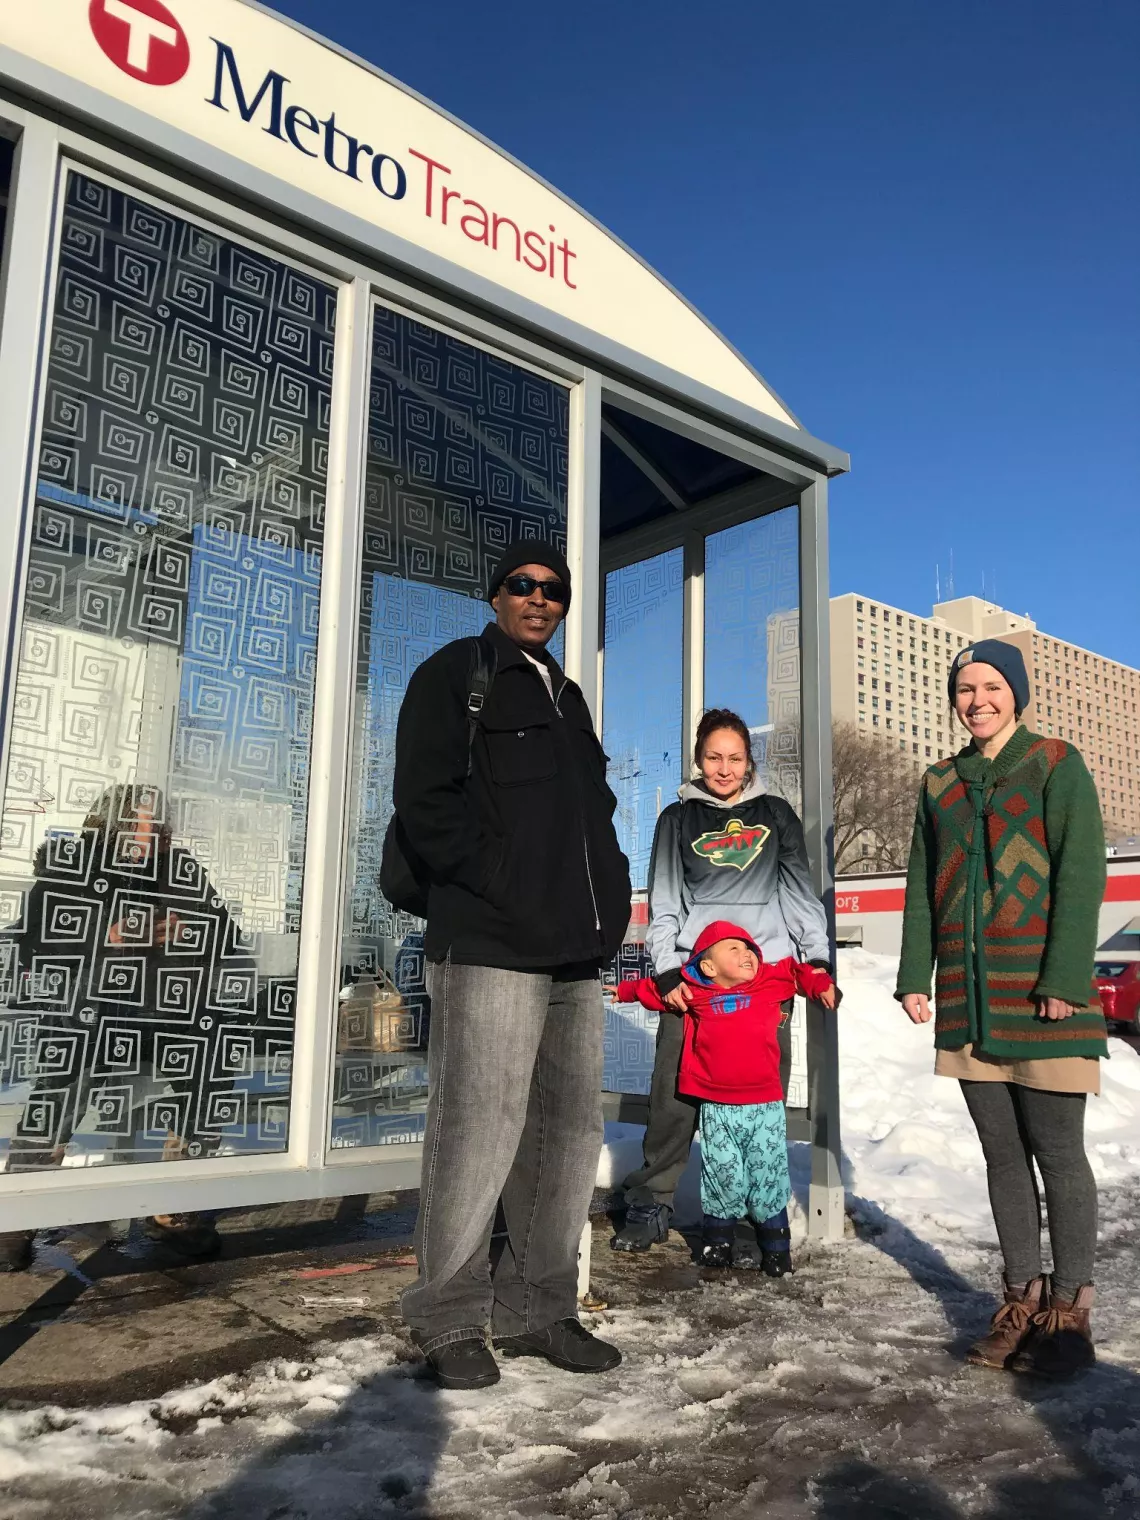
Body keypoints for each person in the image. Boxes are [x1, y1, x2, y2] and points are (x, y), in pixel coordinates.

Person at [392, 544, 632, 1390]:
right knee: (476, 1126)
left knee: (568, 1131)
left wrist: (613, 888)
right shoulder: (456, 672)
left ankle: (537, 1309)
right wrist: (496, 884)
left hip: (575, 946)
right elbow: (424, 802)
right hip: (491, 940)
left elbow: (591, 815)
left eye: (554, 591)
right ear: (495, 595)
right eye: (523, 586)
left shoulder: (566, 697)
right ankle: (448, 1318)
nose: (540, 599)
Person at [896, 640, 1108, 1381]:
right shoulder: (939, 782)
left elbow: (1083, 875)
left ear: (1016, 694)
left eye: (991, 686)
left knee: (1057, 1153)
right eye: (965, 688)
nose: (977, 699)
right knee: (1001, 1155)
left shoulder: (1054, 763)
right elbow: (923, 882)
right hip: (967, 997)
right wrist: (913, 974)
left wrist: (1064, 977)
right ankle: (1020, 1300)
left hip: (1044, 997)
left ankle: (1070, 1310)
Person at [612, 708, 835, 1254]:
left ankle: (758, 1210)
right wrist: (666, 971)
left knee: (758, 1103)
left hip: (765, 982)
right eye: (713, 756)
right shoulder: (676, 820)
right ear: (698, 759)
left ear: (749, 761)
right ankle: (651, 1201)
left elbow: (798, 893)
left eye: (735, 757)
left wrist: (818, 958)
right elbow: (664, 902)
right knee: (674, 1095)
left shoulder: (775, 814)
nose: (724, 767)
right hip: (696, 982)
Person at [0, 785, 246, 1270]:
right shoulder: (71, 867)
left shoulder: (181, 870)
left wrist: (187, 929)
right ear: (114, 823)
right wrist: (107, 938)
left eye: (164, 822)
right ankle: (16, 1213)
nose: (162, 830)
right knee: (65, 1072)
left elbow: (229, 936)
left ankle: (174, 1205)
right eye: (149, 822)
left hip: (162, 1012)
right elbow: (30, 944)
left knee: (211, 1059)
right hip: (89, 1008)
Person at [617, 921, 835, 1272]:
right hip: (717, 1107)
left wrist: (820, 982)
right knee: (721, 1174)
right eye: (733, 950)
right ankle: (717, 1241)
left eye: (748, 948)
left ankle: (776, 1245)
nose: (746, 954)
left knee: (766, 1174)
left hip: (763, 1106)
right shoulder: (696, 993)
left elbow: (798, 972)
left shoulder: (768, 983)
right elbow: (653, 992)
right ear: (708, 967)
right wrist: (625, 992)